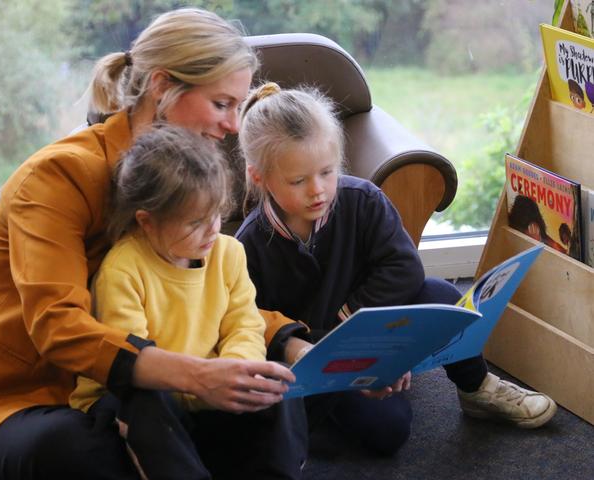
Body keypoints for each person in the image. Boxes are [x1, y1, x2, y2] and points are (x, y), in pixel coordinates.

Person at [0, 9, 306, 480]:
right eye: (222, 104)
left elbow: (210, 295)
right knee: (77, 448)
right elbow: (59, 326)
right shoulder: (56, 177)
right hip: (30, 404)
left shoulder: (193, 179)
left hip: (150, 386)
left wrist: (297, 345)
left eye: (238, 107)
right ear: (161, 86)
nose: (234, 126)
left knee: (271, 391)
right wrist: (197, 376)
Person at [235, 82, 558, 456]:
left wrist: (372, 339)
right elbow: (255, 324)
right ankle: (310, 434)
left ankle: (477, 387)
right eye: (298, 181)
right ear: (260, 177)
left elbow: (405, 269)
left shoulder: (363, 201)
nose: (318, 190)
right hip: (316, 359)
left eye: (327, 172)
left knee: (443, 296)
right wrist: (346, 354)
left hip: (377, 327)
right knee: (388, 432)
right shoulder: (249, 245)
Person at [68, 125, 306, 480]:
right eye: (195, 222)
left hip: (209, 389)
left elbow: (245, 325)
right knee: (147, 401)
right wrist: (209, 384)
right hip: (137, 395)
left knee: (276, 382)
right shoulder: (123, 269)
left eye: (216, 214)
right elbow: (133, 364)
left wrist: (240, 373)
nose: (212, 230)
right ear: (146, 222)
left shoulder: (228, 253)